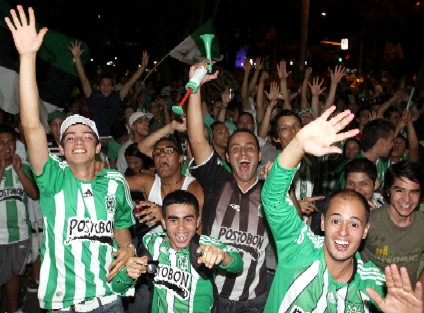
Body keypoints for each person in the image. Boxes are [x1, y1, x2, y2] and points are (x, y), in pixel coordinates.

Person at [6, 6, 135, 311]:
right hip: (66, 305)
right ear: (60, 149)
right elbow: (32, 126)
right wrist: (27, 58)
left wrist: (128, 250)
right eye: (70, 137)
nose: (79, 140)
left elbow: (122, 232)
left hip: (110, 302)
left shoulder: (115, 182)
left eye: (86, 135)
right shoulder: (53, 178)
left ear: (97, 145)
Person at [261, 105, 423, 313]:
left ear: (366, 230)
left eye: (354, 224)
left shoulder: (374, 284)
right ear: (322, 222)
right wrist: (298, 145)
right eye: (336, 221)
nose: (343, 232)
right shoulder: (298, 248)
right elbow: (273, 197)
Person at [187, 62, 269, 312]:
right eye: (235, 148)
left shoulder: (271, 192)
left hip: (253, 300)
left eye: (249, 148)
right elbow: (197, 137)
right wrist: (195, 88)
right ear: (227, 157)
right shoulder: (217, 179)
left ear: (260, 156)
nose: (243, 152)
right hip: (212, 296)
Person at [125, 190, 243, 312]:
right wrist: (127, 273)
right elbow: (118, 286)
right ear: (164, 223)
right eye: (173, 220)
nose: (181, 227)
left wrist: (223, 257)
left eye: (188, 219)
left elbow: (238, 265)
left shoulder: (206, 245)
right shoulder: (151, 242)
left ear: (197, 221)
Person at [361, 161, 424, 289]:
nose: (407, 199)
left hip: (405, 303)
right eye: (400, 190)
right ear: (388, 191)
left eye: (414, 192)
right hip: (368, 300)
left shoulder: (421, 223)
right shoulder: (369, 221)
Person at [69, 41, 149, 137]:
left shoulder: (117, 97)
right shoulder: (93, 96)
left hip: (114, 139)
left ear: (113, 87)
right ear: (98, 87)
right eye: (103, 84)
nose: (106, 87)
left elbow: (129, 83)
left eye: (108, 85)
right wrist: (77, 58)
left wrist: (143, 67)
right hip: (96, 137)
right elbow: (84, 80)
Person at [0, 126, 39, 313]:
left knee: (14, 276)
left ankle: (13, 310)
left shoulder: (22, 166)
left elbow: (33, 194)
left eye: (10, 142)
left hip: (19, 233)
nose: (7, 146)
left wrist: (18, 171)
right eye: (2, 142)